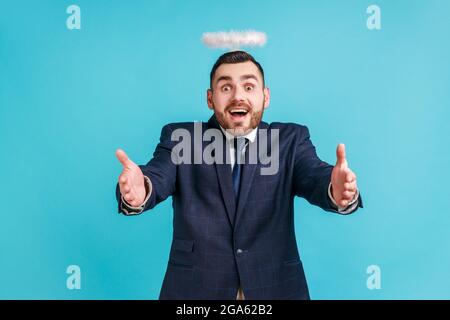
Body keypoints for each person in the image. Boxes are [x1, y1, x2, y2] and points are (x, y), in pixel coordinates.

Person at [115, 51, 362, 300]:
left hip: (275, 287)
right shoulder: (182, 139)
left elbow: (314, 174)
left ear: (265, 97)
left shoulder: (290, 141)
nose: (238, 97)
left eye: (248, 86)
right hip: (196, 291)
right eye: (225, 88)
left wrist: (335, 188)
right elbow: (158, 175)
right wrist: (141, 189)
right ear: (210, 99)